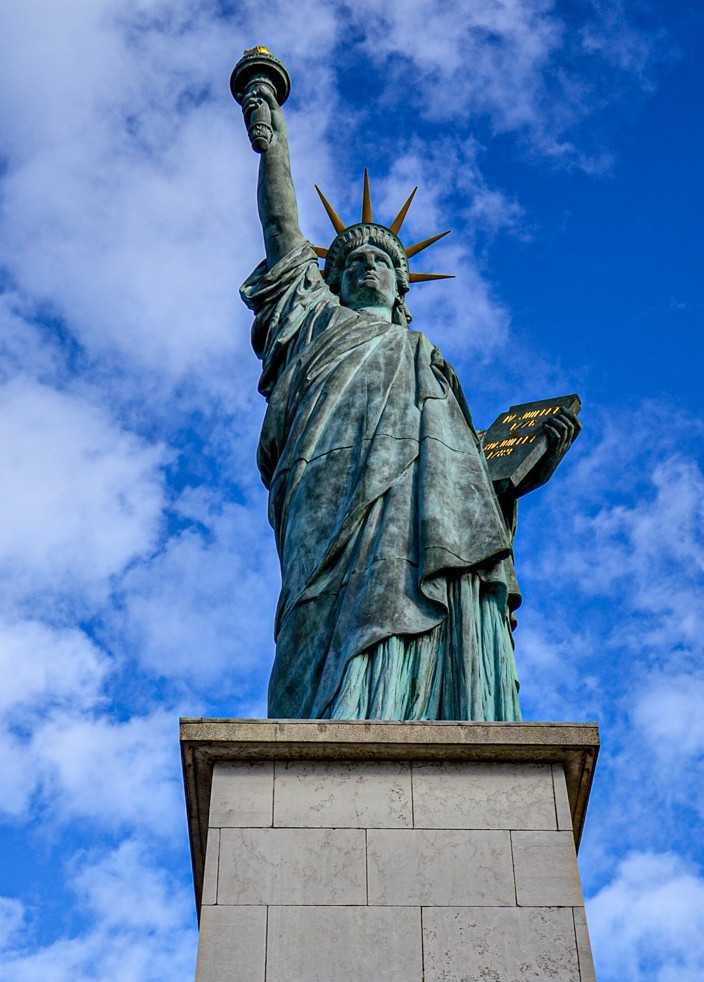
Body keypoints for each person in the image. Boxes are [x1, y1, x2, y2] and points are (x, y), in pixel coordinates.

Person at [239, 78, 572, 720]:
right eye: (352, 260)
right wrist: (271, 143)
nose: (367, 265)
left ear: (399, 288)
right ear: (328, 281)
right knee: (315, 617)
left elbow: (462, 478)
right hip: (328, 487)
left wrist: (519, 471)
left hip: (420, 517)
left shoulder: (430, 361)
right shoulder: (314, 322)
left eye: (381, 261)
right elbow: (282, 227)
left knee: (425, 586)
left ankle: (419, 707)